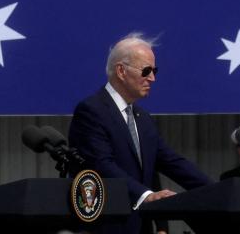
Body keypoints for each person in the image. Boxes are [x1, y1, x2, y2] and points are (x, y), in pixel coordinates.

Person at [68, 34, 211, 234]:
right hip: (106, 226)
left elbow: (171, 161)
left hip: (140, 226)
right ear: (121, 71)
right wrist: (145, 195)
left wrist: (215, 190)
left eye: (155, 70)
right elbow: (102, 166)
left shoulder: (143, 118)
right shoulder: (91, 111)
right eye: (146, 71)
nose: (152, 78)